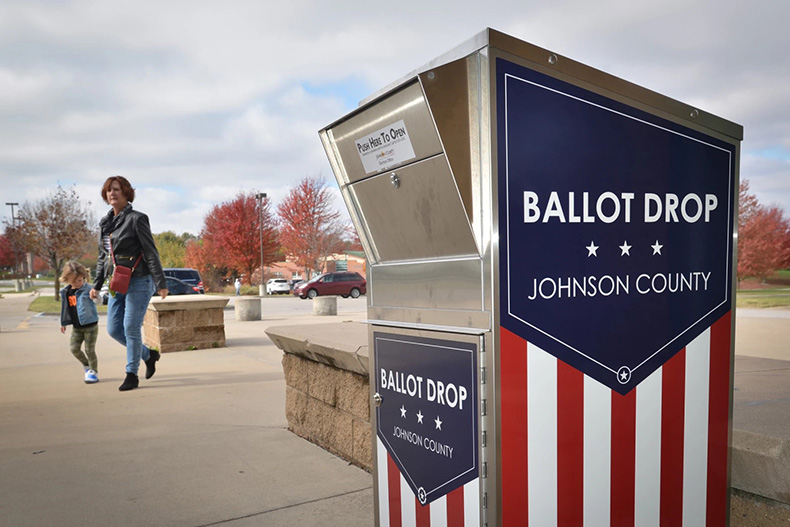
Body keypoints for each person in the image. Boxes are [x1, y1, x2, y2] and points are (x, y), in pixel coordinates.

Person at [90, 175, 169, 392]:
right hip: (117, 282)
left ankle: (131, 374)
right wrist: (96, 285)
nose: (112, 193)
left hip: (140, 280)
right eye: (108, 190)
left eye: (116, 189)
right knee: (115, 330)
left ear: (126, 193)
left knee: (130, 327)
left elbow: (151, 252)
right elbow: (102, 257)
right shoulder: (105, 224)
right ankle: (149, 355)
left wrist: (160, 282)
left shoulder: (137, 219)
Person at [60, 261, 100, 384]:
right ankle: (87, 365)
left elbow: (98, 301)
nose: (79, 283)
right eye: (75, 281)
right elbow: (65, 308)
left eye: (81, 280)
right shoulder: (66, 292)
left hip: (91, 326)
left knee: (89, 350)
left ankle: (93, 372)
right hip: (77, 327)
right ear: (68, 280)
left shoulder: (89, 288)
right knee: (74, 348)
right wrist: (63, 322)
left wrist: (96, 297)